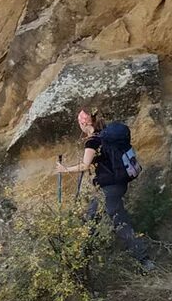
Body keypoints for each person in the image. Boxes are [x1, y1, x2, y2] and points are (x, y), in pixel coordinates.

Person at [56, 110, 152, 270]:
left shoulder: (93, 141)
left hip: (109, 188)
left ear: (85, 123)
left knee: (120, 223)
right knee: (90, 218)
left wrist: (64, 169)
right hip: (116, 184)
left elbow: (85, 165)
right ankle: (80, 259)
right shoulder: (105, 136)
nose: (79, 125)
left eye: (80, 122)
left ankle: (144, 261)